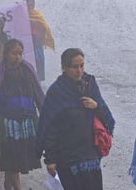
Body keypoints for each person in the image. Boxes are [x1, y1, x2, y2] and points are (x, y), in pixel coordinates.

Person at [35, 48, 115, 190]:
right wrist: (51, 160)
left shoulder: (90, 85)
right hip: (67, 157)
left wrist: (96, 106)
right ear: (64, 67)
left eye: (82, 65)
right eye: (74, 67)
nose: (79, 70)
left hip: (90, 155)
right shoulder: (57, 92)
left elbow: (107, 118)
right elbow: (50, 128)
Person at [0, 39, 45, 190]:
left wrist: (47, 118)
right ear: (5, 54)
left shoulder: (28, 70)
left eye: (20, 53)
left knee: (15, 162)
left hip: (26, 124)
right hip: (5, 124)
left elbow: (39, 95)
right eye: (14, 53)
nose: (18, 57)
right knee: (11, 161)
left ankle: (8, 185)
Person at [23, 0, 55, 81]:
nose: (30, 7)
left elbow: (45, 28)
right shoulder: (20, 15)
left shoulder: (37, 15)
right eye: (27, 5)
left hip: (36, 43)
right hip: (25, 44)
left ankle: (38, 80)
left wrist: (34, 24)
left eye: (31, 5)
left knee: (39, 61)